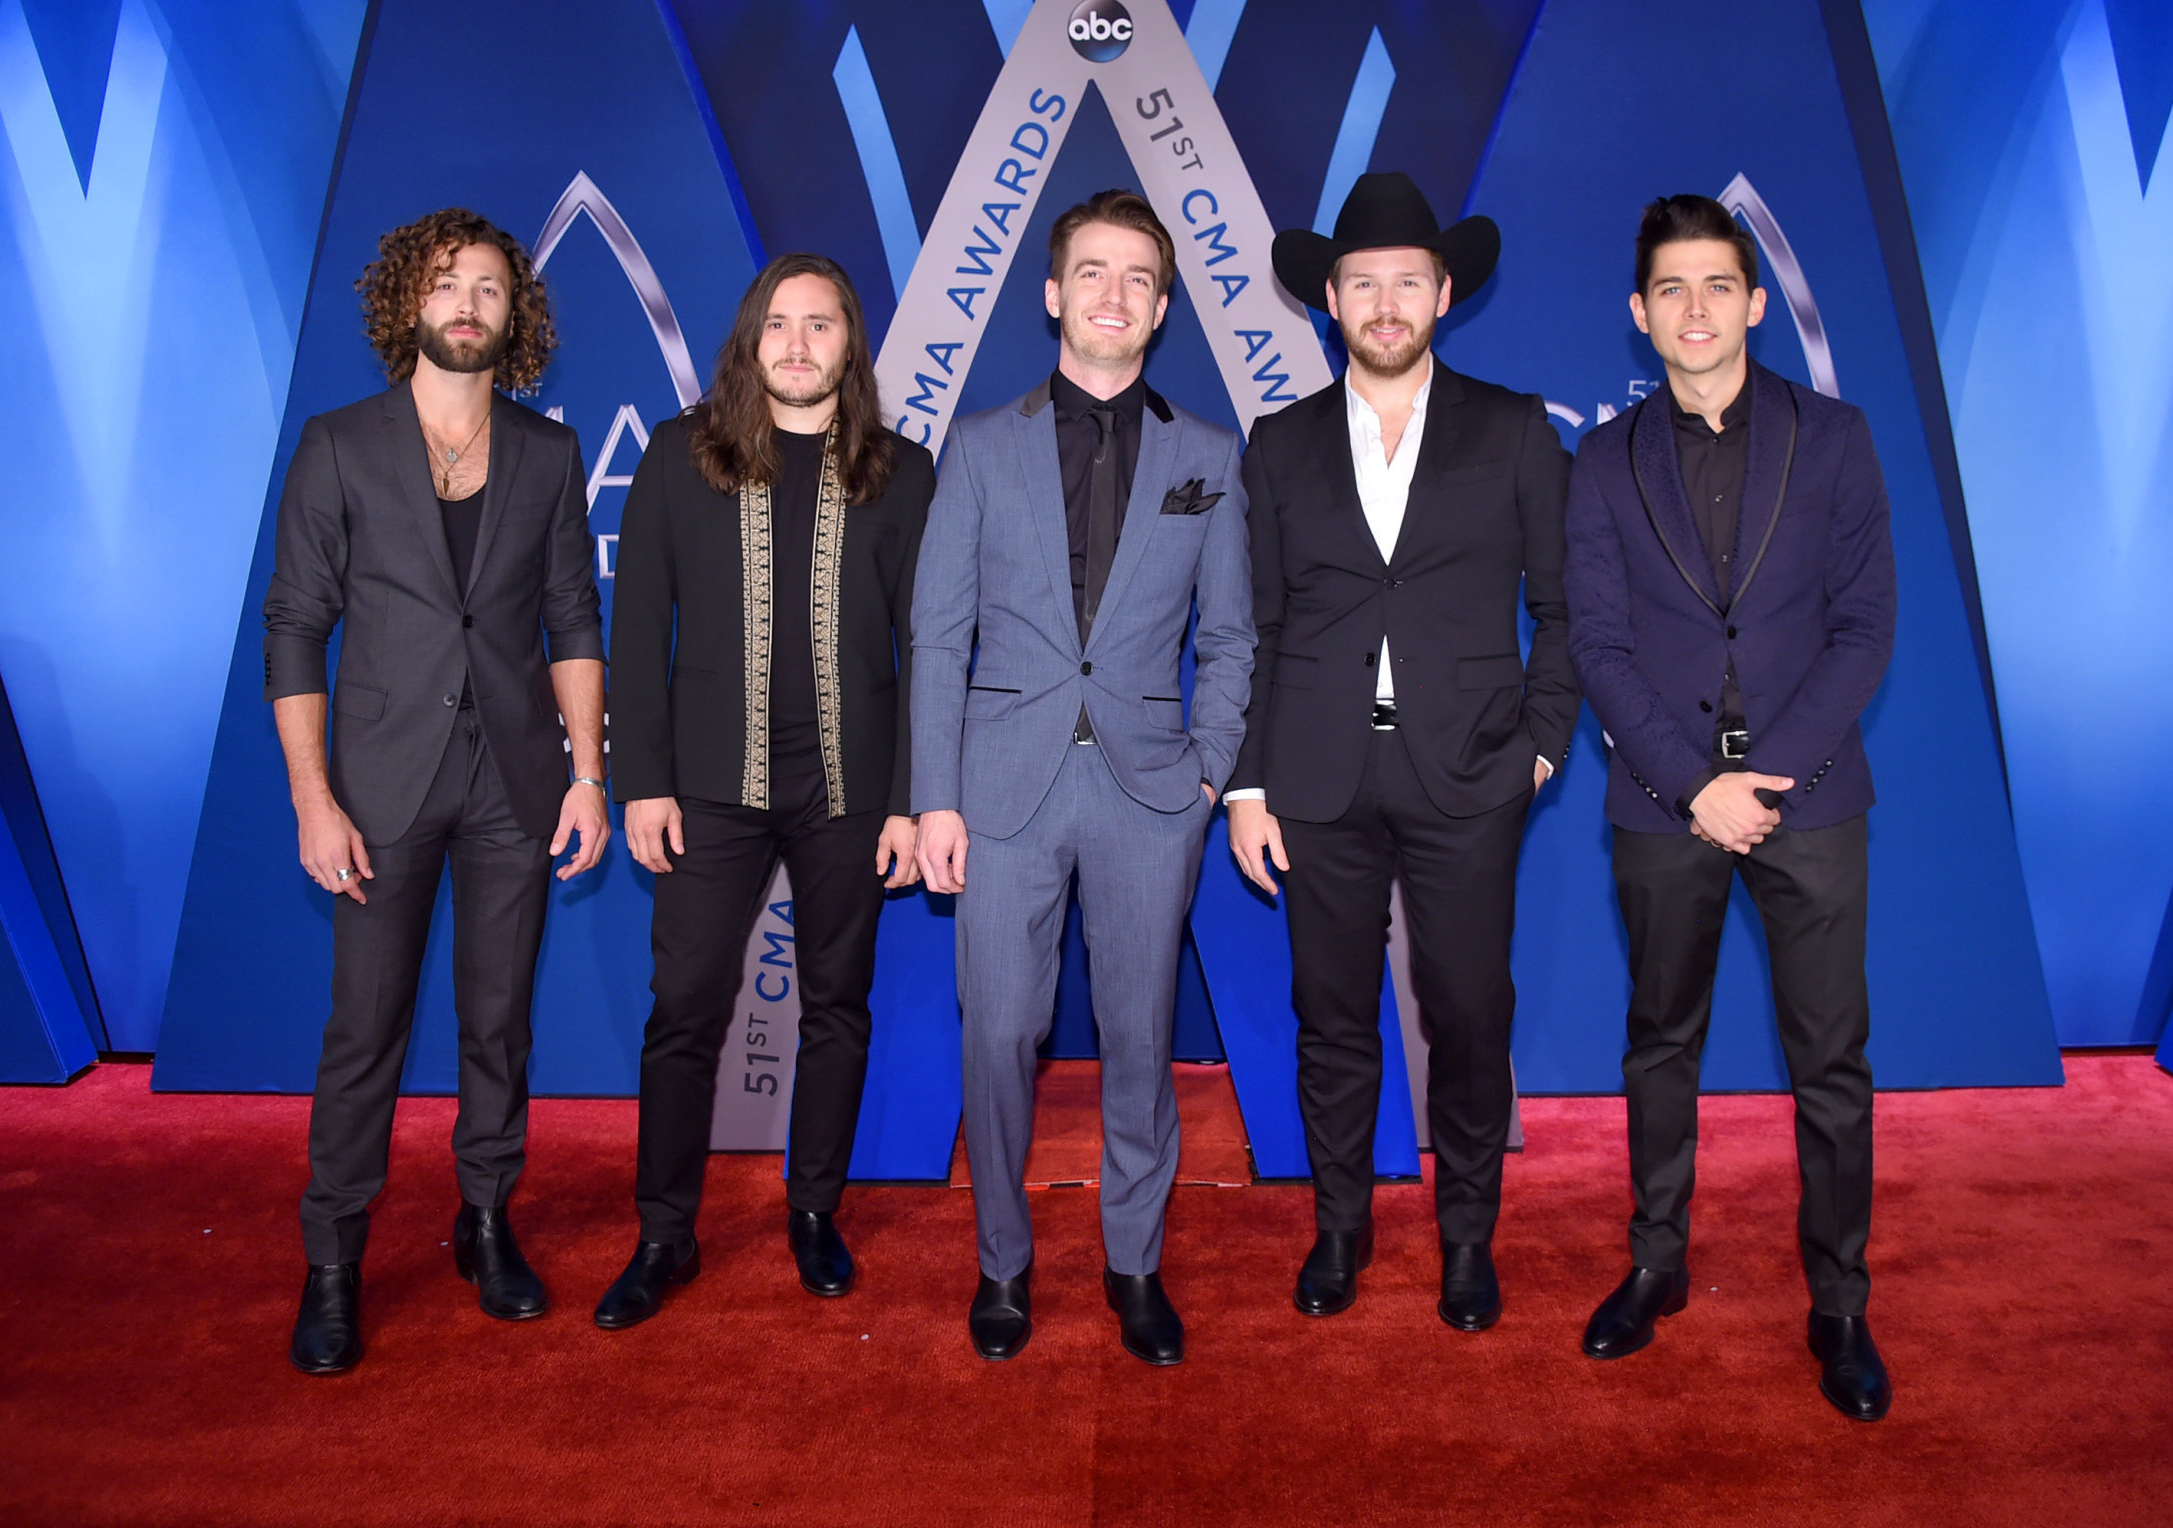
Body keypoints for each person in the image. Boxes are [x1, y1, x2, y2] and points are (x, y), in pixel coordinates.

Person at [1226, 172, 1579, 1332]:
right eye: (1363, 283)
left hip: (1471, 772)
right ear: (1330, 298)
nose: (1385, 303)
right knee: (1329, 1013)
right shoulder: (1276, 446)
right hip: (1317, 775)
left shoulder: (1515, 428)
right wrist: (1248, 782)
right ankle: (1340, 1228)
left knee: (1468, 1009)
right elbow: (1262, 627)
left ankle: (1466, 1237)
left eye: (1407, 284)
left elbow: (1565, 610)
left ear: (1441, 296)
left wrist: (1538, 745)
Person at [1562, 194, 1896, 1420]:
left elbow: (1864, 628)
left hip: (1810, 800)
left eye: (1717, 286)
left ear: (1755, 303)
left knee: (1831, 1064)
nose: (1693, 310)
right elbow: (1595, 641)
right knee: (1660, 1044)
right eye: (1670, 290)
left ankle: (1840, 1301)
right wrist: (1690, 783)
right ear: (1638, 313)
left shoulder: (1839, 438)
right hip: (1662, 804)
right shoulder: (1601, 460)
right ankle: (1654, 1262)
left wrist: (1766, 782)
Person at [911, 189, 1253, 1366]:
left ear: (1160, 307)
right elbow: (936, 635)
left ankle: (1134, 1262)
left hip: (1152, 795)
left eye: (1137, 279)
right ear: (1052, 294)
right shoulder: (979, 446)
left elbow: (1234, 638)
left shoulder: (1207, 457)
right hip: (997, 789)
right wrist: (933, 798)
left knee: (1139, 1035)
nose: (1113, 294)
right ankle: (1002, 1262)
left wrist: (1208, 772)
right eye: (1091, 273)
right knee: (998, 1033)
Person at [265, 209, 608, 1374]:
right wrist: (314, 798)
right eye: (446, 285)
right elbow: (296, 628)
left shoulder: (549, 455)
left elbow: (573, 617)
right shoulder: (337, 446)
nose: (467, 303)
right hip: (375, 788)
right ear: (404, 304)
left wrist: (588, 776)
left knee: (498, 1025)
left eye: (489, 289)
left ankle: (484, 1222)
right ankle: (333, 1262)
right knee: (364, 1030)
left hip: (515, 784)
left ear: (517, 319)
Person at [596, 254, 933, 1329]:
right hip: (707, 792)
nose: (797, 344)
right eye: (777, 324)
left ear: (849, 344)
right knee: (683, 1010)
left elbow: (927, 644)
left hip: (851, 790)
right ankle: (663, 1233)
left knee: (838, 1006)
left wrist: (909, 797)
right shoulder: (676, 456)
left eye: (819, 325)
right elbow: (637, 630)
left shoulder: (900, 471)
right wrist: (639, 783)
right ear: (749, 340)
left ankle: (814, 1213)